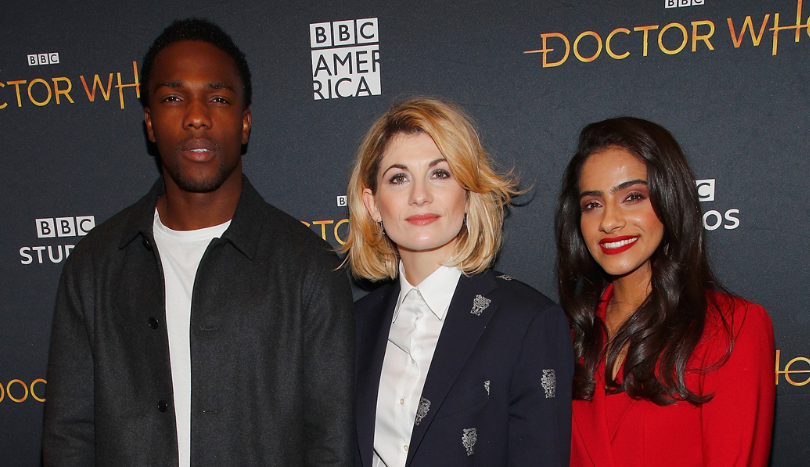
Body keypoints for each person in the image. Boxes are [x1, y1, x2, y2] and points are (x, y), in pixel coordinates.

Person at [42, 19, 354, 467]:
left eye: (218, 98)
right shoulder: (93, 266)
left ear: (244, 124)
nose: (196, 115)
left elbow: (331, 444)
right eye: (173, 97)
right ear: (150, 123)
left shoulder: (309, 267)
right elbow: (68, 438)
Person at [343, 97, 573, 467]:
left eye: (440, 173)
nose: (420, 196)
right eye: (399, 178)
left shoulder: (528, 323)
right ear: (373, 205)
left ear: (468, 194)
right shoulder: (353, 324)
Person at [555, 117, 775, 467]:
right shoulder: (564, 334)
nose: (609, 221)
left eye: (633, 197)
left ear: (670, 201)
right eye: (592, 204)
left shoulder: (734, 327)